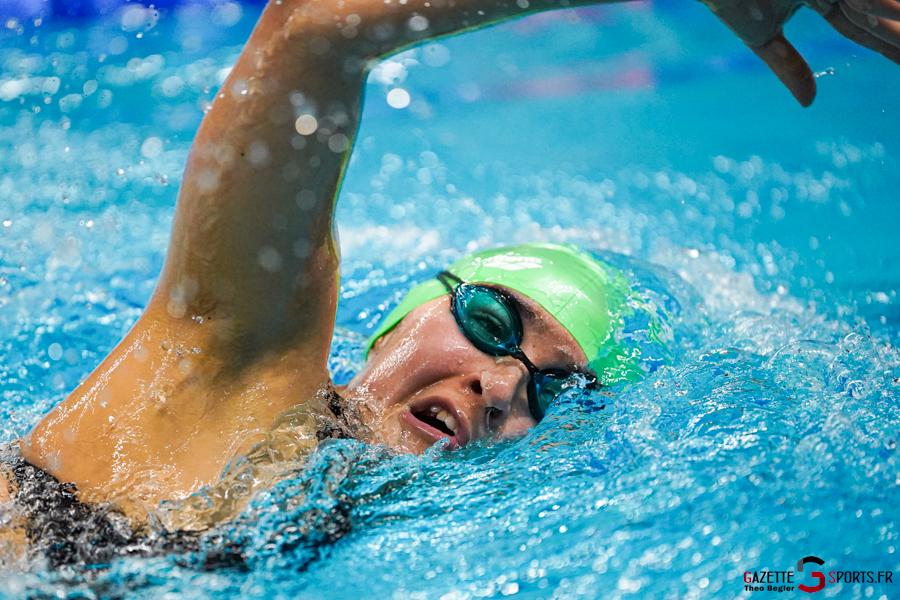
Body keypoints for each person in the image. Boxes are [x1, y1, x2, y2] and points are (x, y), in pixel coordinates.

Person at [2, 0, 899, 526]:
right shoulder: (233, 363)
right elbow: (313, 29)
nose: (500, 385)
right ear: (399, 317)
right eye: (493, 323)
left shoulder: (357, 522)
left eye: (555, 388)